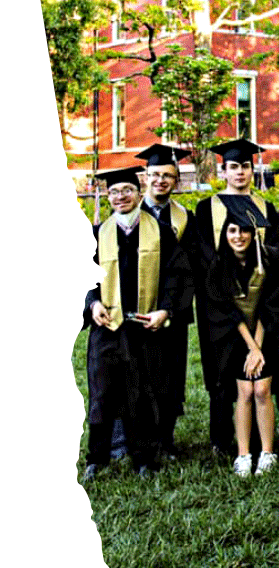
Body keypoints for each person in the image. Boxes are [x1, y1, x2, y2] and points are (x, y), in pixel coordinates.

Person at [82, 167, 193, 483]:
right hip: (108, 328)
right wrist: (93, 303)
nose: (121, 197)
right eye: (115, 192)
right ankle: (97, 458)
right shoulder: (97, 233)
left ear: (138, 190)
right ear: (108, 196)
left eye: (127, 190)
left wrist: (166, 311)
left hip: (145, 328)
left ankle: (144, 458)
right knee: (102, 393)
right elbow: (82, 277)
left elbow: (178, 276)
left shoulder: (160, 231)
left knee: (142, 394)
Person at [195, 138, 279, 455]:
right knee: (220, 372)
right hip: (219, 306)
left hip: (259, 304)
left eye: (245, 166)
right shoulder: (207, 209)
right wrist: (224, 287)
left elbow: (274, 255)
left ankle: (258, 438)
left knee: (257, 370)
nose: (240, 172)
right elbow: (203, 254)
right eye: (234, 167)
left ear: (252, 169)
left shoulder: (266, 207)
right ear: (224, 170)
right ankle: (220, 439)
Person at [204, 196, 279, 476]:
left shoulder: (271, 259)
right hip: (236, 339)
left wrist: (260, 348)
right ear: (225, 234)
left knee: (262, 390)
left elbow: (274, 304)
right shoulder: (218, 267)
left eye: (244, 230)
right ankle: (243, 454)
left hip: (268, 334)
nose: (238, 236)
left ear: (253, 234)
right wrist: (252, 348)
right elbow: (227, 312)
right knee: (244, 391)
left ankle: (267, 452)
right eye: (232, 230)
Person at [134, 143, 197, 455]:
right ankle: (135, 439)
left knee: (171, 375)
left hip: (172, 311)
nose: (161, 180)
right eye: (155, 174)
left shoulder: (186, 218)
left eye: (168, 176)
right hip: (135, 311)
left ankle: (166, 439)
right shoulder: (129, 213)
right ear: (145, 176)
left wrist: (171, 309)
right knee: (136, 373)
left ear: (176, 181)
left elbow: (191, 270)